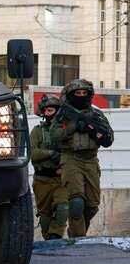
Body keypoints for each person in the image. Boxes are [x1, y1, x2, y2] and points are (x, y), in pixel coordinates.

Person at [50, 79, 114, 238]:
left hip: (91, 160)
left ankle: (78, 230)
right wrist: (72, 127)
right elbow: (54, 136)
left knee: (92, 205)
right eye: (77, 93)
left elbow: (108, 137)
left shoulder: (97, 114)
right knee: (76, 203)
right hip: (71, 159)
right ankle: (77, 239)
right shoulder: (63, 115)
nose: (81, 96)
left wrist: (92, 129)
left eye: (84, 93)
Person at [30, 95, 67, 240]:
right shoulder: (37, 131)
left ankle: (56, 236)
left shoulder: (64, 131)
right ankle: (48, 239)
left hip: (60, 180)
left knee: (63, 207)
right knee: (44, 216)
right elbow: (33, 154)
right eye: (45, 110)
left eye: (50, 110)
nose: (47, 114)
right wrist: (51, 154)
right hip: (42, 180)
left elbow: (72, 153)